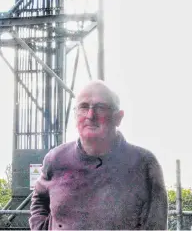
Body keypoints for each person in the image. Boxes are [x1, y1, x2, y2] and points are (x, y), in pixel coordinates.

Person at [29, 79, 168, 230]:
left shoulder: (144, 164)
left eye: (100, 107)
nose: (90, 115)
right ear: (75, 116)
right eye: (83, 107)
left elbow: (156, 225)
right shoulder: (55, 159)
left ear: (118, 117)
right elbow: (40, 201)